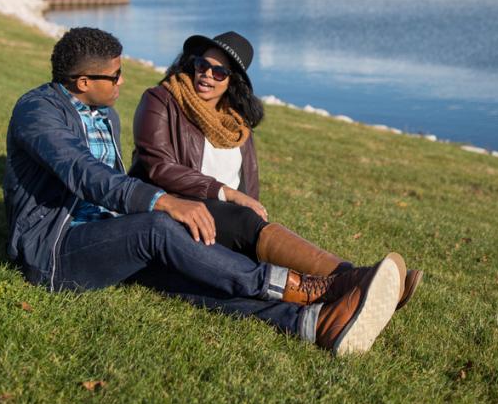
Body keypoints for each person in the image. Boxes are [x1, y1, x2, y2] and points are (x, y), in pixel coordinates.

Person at [4, 26, 406, 355]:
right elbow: (84, 172)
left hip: (109, 235)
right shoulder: (38, 113)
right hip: (57, 252)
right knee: (158, 228)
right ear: (84, 81)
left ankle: (315, 324)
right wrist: (161, 201)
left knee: (191, 268)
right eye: (115, 75)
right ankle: (303, 287)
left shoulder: (103, 111)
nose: (123, 80)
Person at [130, 31, 422, 308]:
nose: (207, 74)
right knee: (244, 225)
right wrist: (229, 195)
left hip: (228, 222)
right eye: (202, 65)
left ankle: (358, 286)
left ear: (232, 81)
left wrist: (243, 206)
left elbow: (248, 189)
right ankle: (357, 279)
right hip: (174, 211)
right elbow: (160, 167)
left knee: (257, 247)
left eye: (219, 71)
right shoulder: (162, 100)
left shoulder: (237, 124)